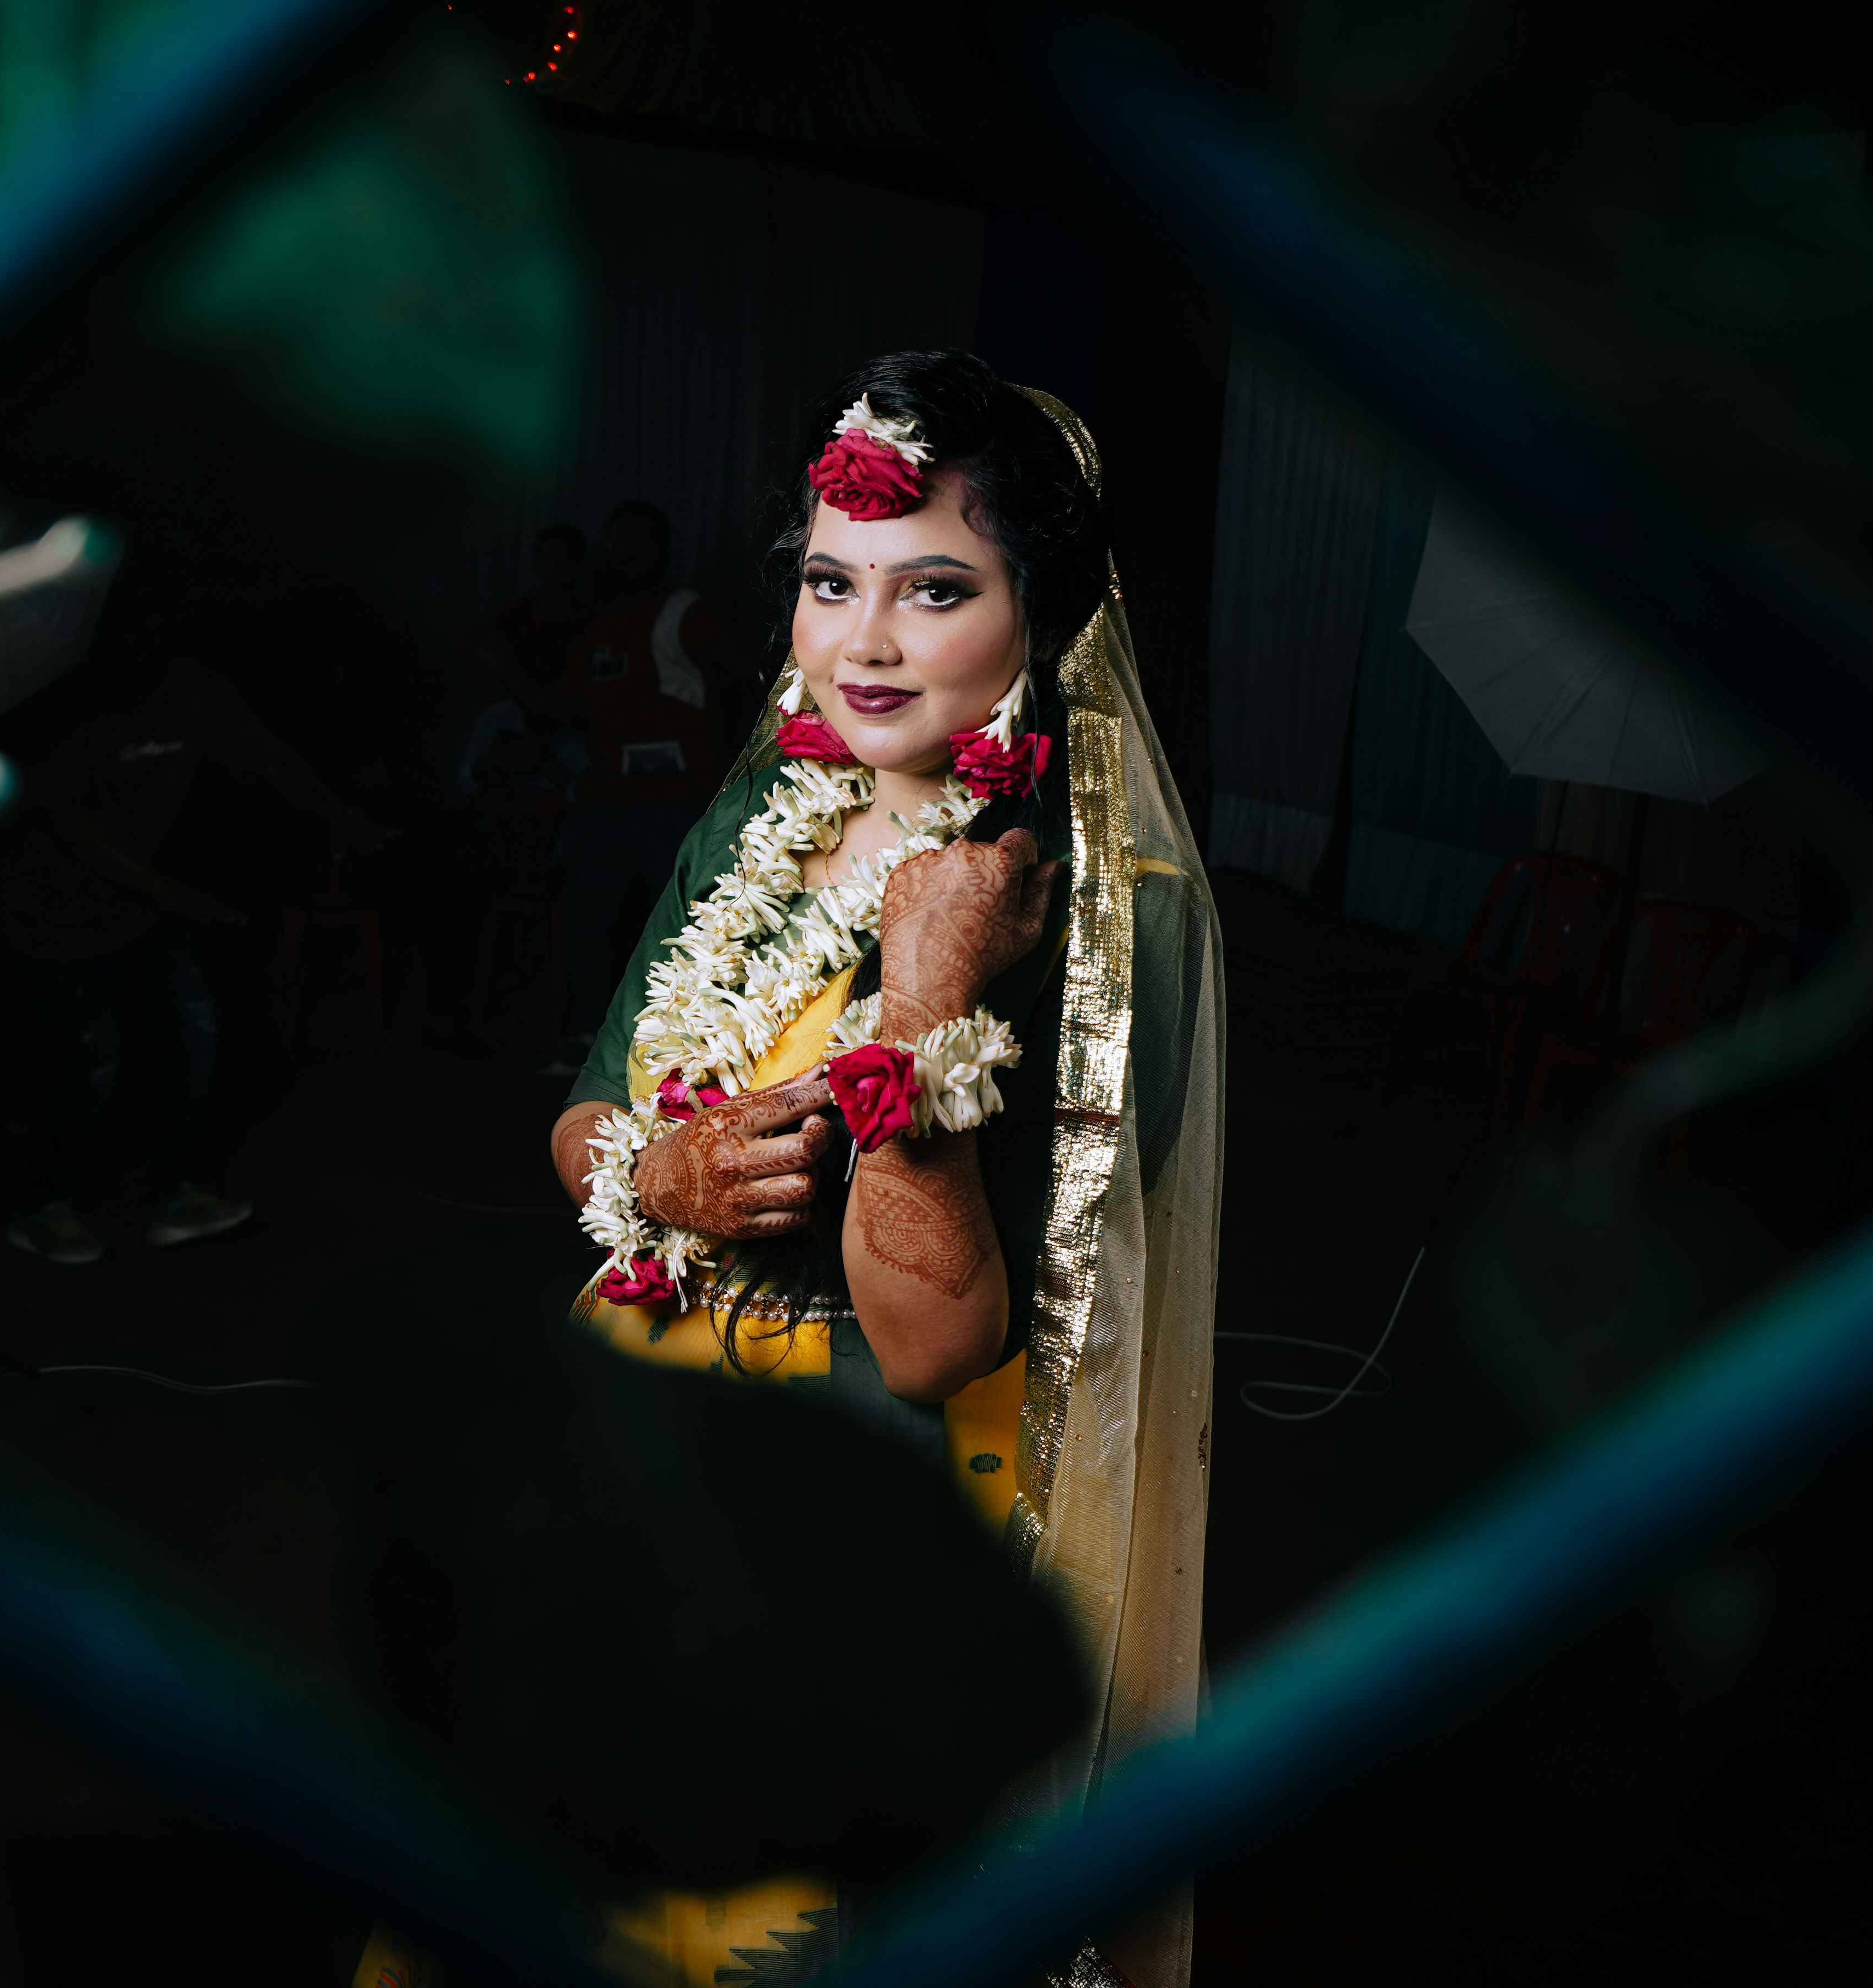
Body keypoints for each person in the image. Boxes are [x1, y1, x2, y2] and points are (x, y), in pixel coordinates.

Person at [355, 351, 1227, 1988]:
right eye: (831, 582)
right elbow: (585, 1112)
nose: (862, 641)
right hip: (637, 1418)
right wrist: (658, 1174)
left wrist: (922, 1001)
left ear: (1044, 614)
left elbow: (935, 1342)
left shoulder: (1099, 907)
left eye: (934, 588)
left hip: (864, 1485)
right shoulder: (766, 805)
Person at [0, 567, 378, 1264]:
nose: (139, 627)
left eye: (154, 612)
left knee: (192, 1033)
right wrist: (169, 892)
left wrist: (332, 812)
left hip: (141, 902)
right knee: (90, 1063)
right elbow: (72, 824)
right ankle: (41, 1207)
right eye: (125, 612)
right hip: (55, 907)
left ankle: (175, 1195)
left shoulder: (191, 689)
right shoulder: (68, 700)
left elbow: (269, 758)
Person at [535, 500, 750, 1074]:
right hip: (603, 804)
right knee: (588, 924)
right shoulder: (601, 625)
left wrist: (730, 749)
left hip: (675, 804)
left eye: (641, 540)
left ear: (663, 549)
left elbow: (753, 671)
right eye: (619, 539)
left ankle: (686, 1059)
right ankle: (589, 1042)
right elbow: (561, 706)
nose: (629, 550)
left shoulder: (686, 611)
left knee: (689, 931)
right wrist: (501, 666)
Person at [455, 521, 590, 797]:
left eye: (564, 561)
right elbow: (470, 647)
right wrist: (489, 707)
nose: (554, 569)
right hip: (517, 719)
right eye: (547, 560)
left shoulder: (589, 622)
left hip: (565, 723)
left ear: (578, 566)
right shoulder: (519, 614)